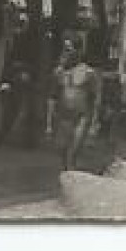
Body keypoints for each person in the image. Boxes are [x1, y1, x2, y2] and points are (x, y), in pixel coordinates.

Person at [46, 38, 101, 171]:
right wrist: (48, 124)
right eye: (64, 50)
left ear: (78, 52)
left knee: (72, 153)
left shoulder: (89, 73)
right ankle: (69, 176)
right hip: (63, 118)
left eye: (68, 50)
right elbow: (52, 98)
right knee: (63, 151)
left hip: (82, 118)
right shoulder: (58, 72)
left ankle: (71, 176)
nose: (65, 54)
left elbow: (95, 100)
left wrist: (94, 124)